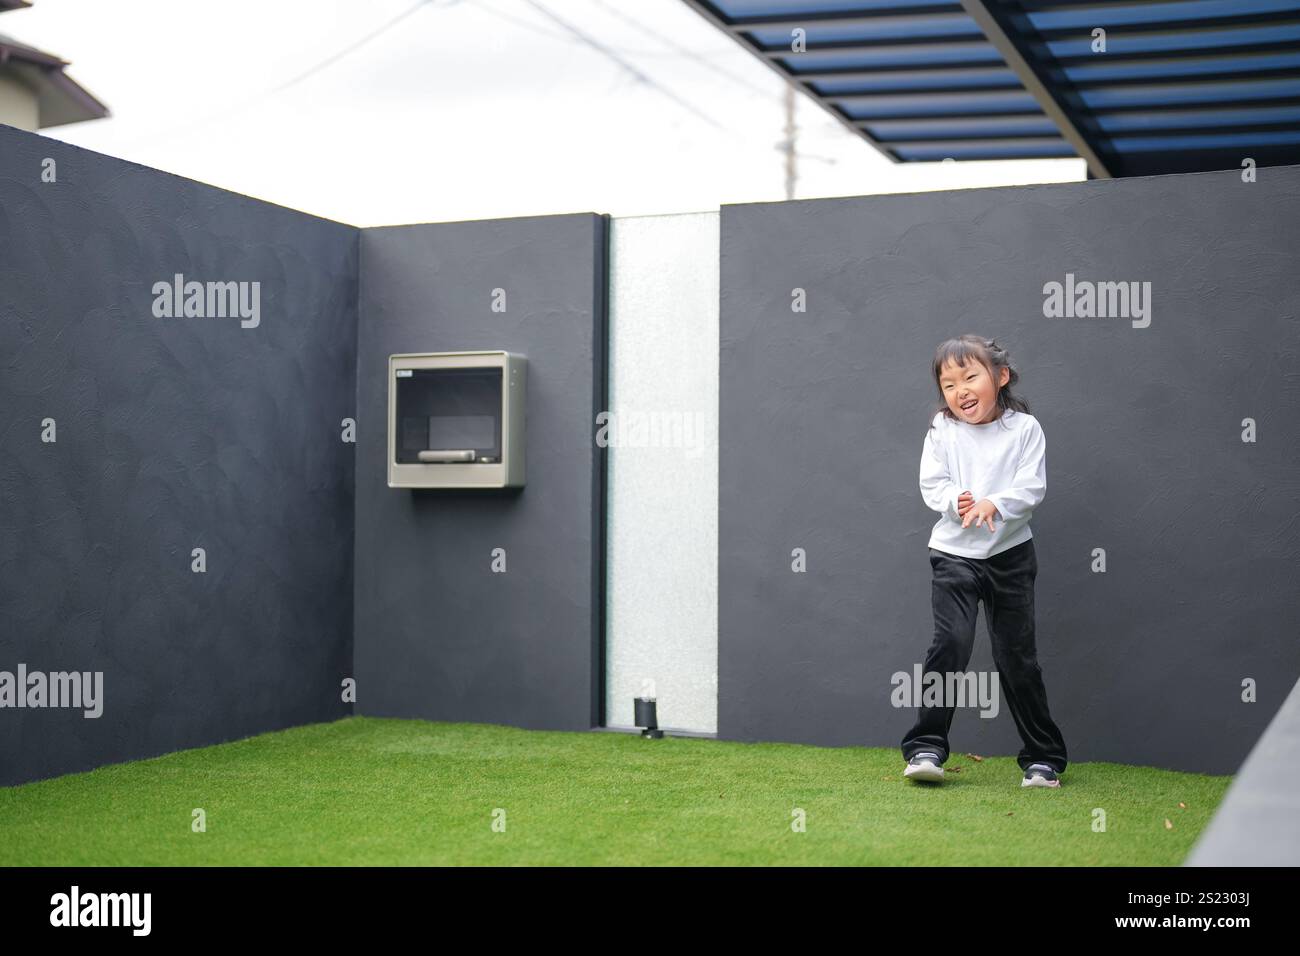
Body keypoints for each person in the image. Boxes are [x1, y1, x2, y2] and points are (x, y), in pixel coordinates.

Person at [900, 334, 1069, 789]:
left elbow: (1031, 487)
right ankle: (926, 748)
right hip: (954, 555)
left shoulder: (1024, 430)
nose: (960, 391)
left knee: (1017, 657)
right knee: (950, 644)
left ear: (1001, 376)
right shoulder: (941, 429)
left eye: (970, 377)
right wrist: (959, 500)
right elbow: (932, 484)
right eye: (949, 384)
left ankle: (1044, 758)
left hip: (1010, 556)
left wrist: (996, 503)